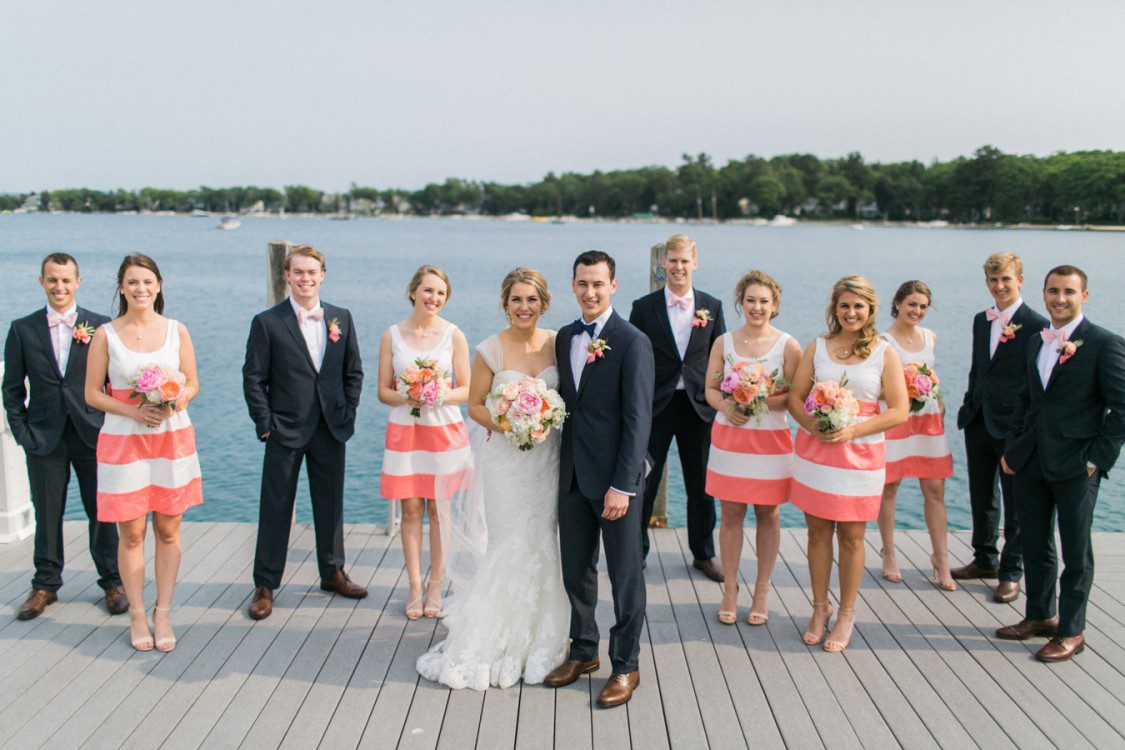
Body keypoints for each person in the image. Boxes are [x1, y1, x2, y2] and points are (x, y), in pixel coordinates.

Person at [416, 268, 569, 689]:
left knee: (544, 536)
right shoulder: (489, 350)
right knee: (509, 539)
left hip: (548, 461)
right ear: (506, 304)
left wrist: (543, 417)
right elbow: (476, 406)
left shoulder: (560, 343)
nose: (524, 307)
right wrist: (512, 422)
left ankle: (544, 628)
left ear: (543, 303)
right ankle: (493, 631)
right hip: (507, 462)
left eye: (532, 299)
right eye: (516, 299)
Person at [996, 265, 1124, 662]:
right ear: (1044, 293)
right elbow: (1027, 399)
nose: (1060, 298)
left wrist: (1096, 460)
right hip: (1031, 461)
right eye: (1053, 291)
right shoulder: (1036, 341)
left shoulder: (1105, 344)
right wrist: (1013, 446)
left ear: (1084, 295)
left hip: (1075, 465)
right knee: (1034, 543)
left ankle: (1072, 630)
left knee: (1076, 550)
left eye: (1069, 291)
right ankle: (1039, 616)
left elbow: (1121, 409)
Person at [544, 251, 654, 708]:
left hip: (617, 482)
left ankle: (626, 665)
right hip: (571, 476)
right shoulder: (566, 336)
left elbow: (638, 420)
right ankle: (584, 650)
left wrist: (623, 485)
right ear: (572, 284)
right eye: (582, 283)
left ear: (614, 286)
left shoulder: (632, 341)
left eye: (598, 284)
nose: (590, 292)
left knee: (626, 577)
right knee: (576, 570)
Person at [85, 254, 202, 652]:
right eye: (132, 282)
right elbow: (92, 393)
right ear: (121, 287)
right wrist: (134, 410)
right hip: (123, 441)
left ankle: (163, 610)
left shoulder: (177, 331)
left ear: (159, 286)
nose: (141, 289)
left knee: (168, 529)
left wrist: (174, 400)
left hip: (171, 439)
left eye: (148, 282)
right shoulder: (106, 334)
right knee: (131, 533)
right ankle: (137, 613)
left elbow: (192, 384)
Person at [243, 244, 366, 621]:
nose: (305, 278)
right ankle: (265, 584)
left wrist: (347, 411)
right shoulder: (267, 322)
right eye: (298, 272)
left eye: (312, 272)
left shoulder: (341, 318)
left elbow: (353, 372)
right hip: (284, 429)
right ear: (287, 275)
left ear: (322, 275)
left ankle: (332, 573)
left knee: (330, 503)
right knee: (276, 505)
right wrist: (265, 425)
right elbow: (253, 378)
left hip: (331, 427)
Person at [3, 253, 126, 621]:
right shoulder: (22, 329)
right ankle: (45, 584)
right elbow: (11, 390)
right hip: (44, 437)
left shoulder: (101, 326)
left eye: (66, 280)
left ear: (78, 282)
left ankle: (112, 581)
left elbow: (114, 383)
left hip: (93, 434)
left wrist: (110, 426)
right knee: (48, 513)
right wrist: (24, 433)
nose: (59, 286)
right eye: (52, 280)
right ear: (41, 281)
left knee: (101, 512)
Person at [787, 275, 907, 653]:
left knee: (852, 537)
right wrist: (814, 426)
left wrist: (854, 430)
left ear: (870, 309)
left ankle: (846, 614)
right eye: (844, 305)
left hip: (861, 457)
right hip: (817, 454)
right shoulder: (818, 346)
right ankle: (819, 610)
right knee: (817, 532)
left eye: (858, 306)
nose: (851, 313)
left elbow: (900, 411)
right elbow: (795, 397)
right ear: (834, 308)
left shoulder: (884, 352)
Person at [704, 270, 799, 625]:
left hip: (771, 443)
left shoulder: (788, 345)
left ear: (774, 306)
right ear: (740, 303)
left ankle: (761, 588)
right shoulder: (724, 343)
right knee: (730, 516)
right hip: (731, 440)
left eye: (764, 301)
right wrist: (728, 405)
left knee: (767, 515)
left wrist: (761, 396)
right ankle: (730, 588)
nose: (756, 307)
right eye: (750, 300)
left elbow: (795, 395)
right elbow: (711, 389)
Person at [629, 234, 725, 581]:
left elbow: (721, 356)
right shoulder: (644, 306)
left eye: (684, 261)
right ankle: (635, 551)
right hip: (656, 405)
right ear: (664, 264)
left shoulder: (711, 306)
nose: (678, 267)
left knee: (701, 483)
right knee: (643, 479)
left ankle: (704, 553)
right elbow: (633, 358)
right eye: (672, 261)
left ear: (694, 263)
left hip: (698, 407)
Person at [952, 252, 1047, 603]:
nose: (999, 286)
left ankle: (1011, 571)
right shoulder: (982, 320)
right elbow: (979, 368)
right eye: (993, 280)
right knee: (981, 495)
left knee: (1016, 501)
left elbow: (1034, 380)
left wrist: (1023, 429)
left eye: (1006, 279)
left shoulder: (1036, 323)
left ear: (1020, 279)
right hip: (978, 419)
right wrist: (968, 404)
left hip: (1012, 426)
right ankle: (985, 558)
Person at [378, 265, 470, 619]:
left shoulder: (454, 335)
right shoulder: (392, 335)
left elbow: (466, 389)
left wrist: (438, 395)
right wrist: (408, 394)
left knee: (439, 510)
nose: (434, 298)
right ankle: (415, 584)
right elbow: (382, 391)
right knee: (411, 509)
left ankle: (435, 583)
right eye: (428, 291)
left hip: (444, 431)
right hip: (406, 431)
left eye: (441, 294)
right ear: (413, 290)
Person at [876, 281, 956, 591]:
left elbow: (933, 378)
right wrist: (905, 387)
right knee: (890, 487)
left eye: (922, 306)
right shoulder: (882, 341)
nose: (917, 311)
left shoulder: (929, 337)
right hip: (896, 419)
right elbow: (875, 386)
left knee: (935, 490)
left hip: (928, 420)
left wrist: (935, 396)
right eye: (911, 304)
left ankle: (941, 559)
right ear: (896, 304)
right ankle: (889, 551)